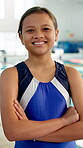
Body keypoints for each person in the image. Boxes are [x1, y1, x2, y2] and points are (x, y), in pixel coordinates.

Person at [0, 6, 83, 148]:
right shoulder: (11, 75)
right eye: (30, 30)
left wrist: (29, 130)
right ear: (21, 37)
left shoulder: (71, 74)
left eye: (46, 29)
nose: (38, 35)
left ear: (56, 34)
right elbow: (13, 132)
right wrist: (64, 121)